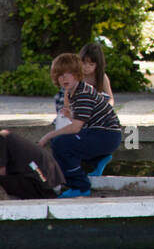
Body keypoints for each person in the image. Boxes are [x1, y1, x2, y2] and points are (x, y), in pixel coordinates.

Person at [37, 53, 123, 197]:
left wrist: (48, 136)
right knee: (63, 143)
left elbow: (76, 128)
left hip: (106, 135)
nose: (63, 78)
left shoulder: (83, 93)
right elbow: (84, 119)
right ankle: (93, 162)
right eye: (60, 75)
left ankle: (80, 186)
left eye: (68, 74)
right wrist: (71, 116)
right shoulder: (74, 92)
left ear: (77, 74)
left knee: (61, 143)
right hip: (99, 133)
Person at [0, 128, 65, 199]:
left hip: (44, 184)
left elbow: (1, 171)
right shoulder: (5, 136)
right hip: (46, 180)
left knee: (4, 179)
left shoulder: (2, 139)